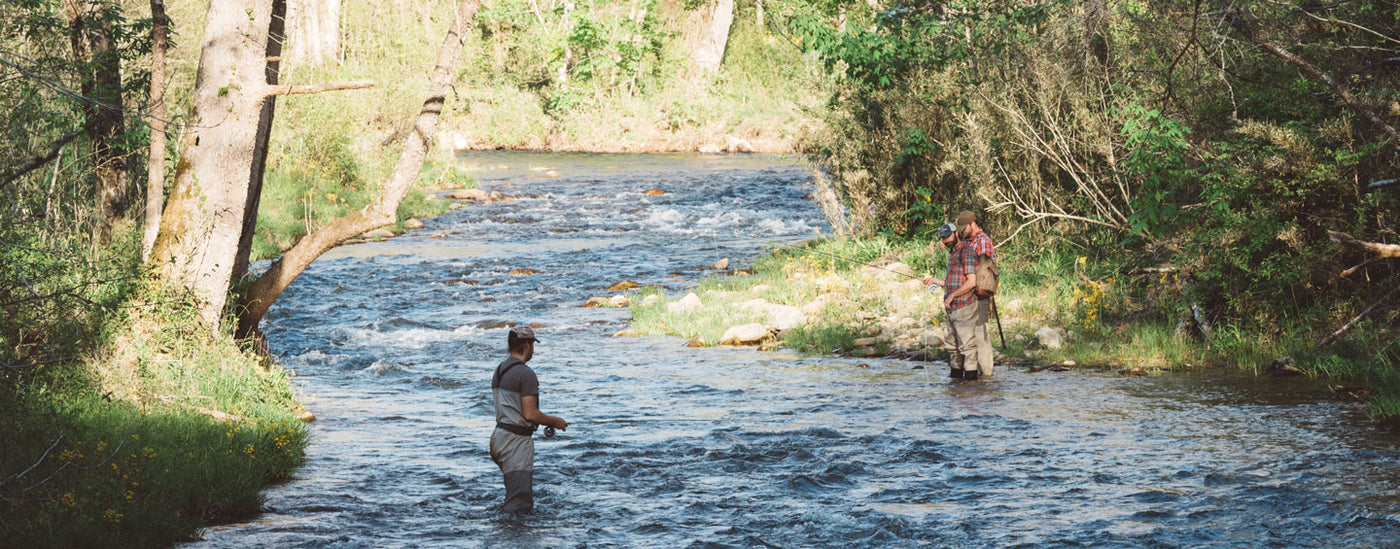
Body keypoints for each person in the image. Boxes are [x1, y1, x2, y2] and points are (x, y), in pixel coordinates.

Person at [489, 325, 568, 514]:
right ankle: (514, 539)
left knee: (513, 493)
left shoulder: (500, 370)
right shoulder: (526, 374)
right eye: (532, 344)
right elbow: (530, 414)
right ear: (526, 345)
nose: (533, 350)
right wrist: (554, 421)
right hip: (515, 442)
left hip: (499, 438)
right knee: (519, 503)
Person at [942, 211, 995, 380]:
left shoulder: (983, 242)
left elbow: (983, 275)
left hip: (980, 297)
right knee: (967, 341)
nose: (962, 231)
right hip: (966, 297)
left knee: (980, 338)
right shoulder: (966, 242)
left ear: (972, 224)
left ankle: (986, 376)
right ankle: (974, 376)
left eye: (964, 228)